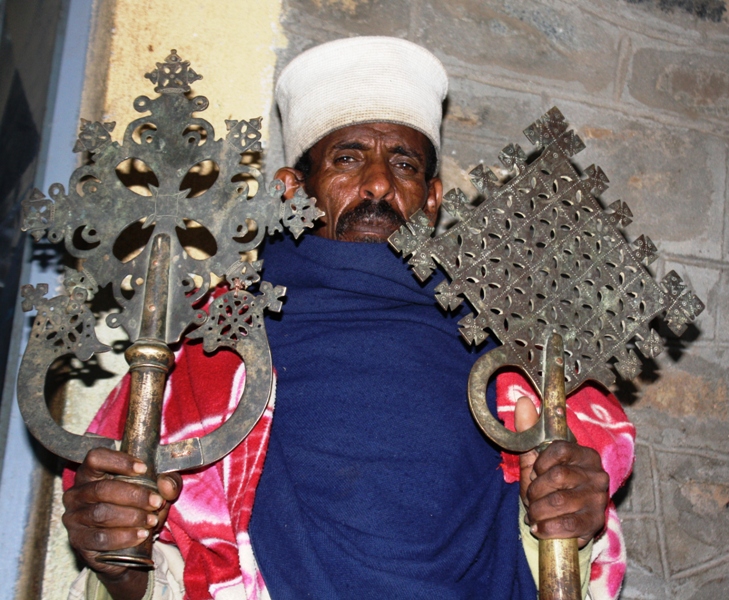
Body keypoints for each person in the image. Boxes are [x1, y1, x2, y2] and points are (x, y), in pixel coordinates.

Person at [64, 37, 634, 600]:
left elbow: (557, 534)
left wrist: (571, 518)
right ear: (292, 188)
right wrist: (116, 554)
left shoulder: (501, 340)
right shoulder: (222, 339)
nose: (380, 183)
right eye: (348, 158)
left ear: (432, 198)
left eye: (404, 164)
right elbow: (159, 561)